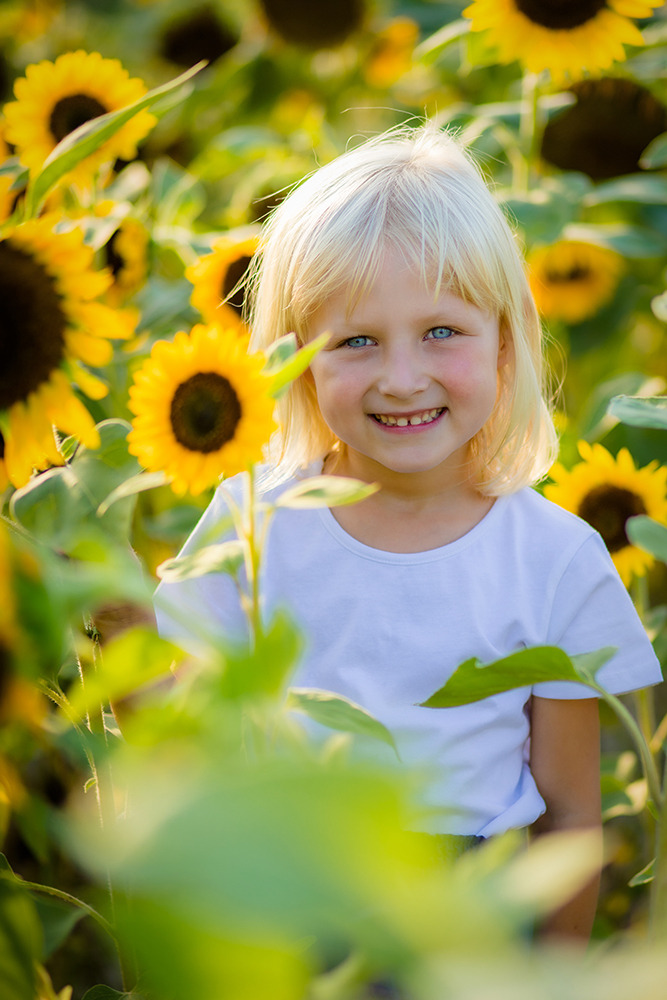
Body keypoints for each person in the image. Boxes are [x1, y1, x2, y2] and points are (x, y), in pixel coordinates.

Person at [154, 125, 663, 943]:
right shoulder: (254, 522)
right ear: (292, 361)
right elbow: (171, 729)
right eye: (355, 340)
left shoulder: (553, 558)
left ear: (504, 339)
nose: (399, 377)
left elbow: (569, 817)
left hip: (474, 916)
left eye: (440, 332)